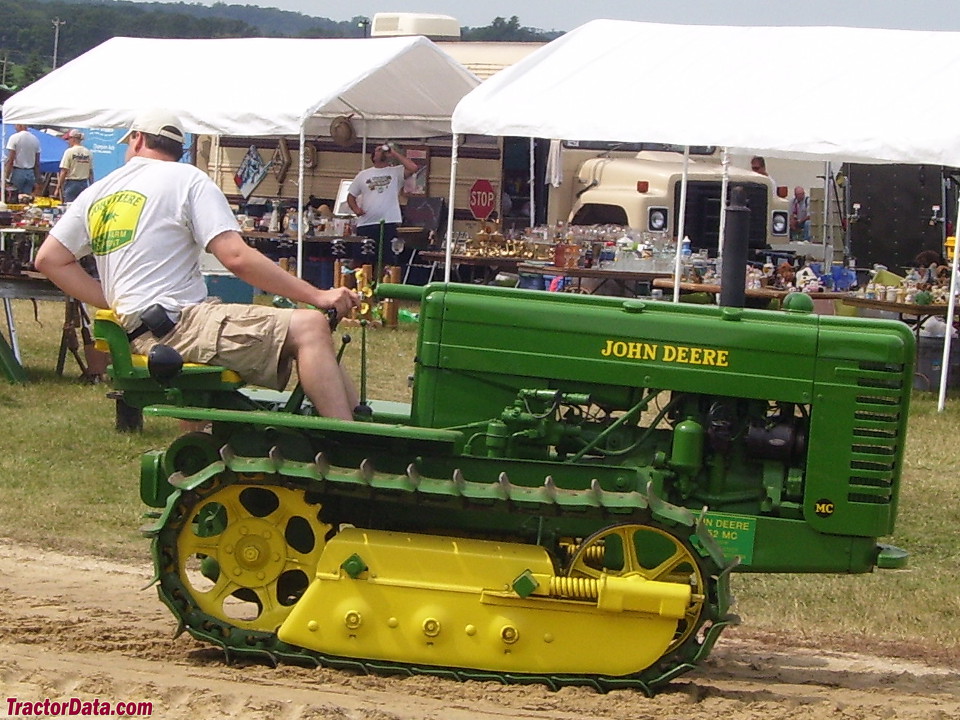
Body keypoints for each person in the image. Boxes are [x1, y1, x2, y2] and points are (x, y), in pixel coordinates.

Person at [35, 109, 361, 420]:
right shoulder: (188, 178)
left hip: (145, 328)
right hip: (176, 325)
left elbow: (49, 259)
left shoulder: (98, 191)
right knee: (310, 326)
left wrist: (114, 301)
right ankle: (347, 445)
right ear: (179, 147)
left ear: (136, 139)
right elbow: (235, 257)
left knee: (296, 327)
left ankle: (355, 425)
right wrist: (317, 296)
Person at [346, 142, 418, 265]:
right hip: (366, 223)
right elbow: (351, 196)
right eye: (378, 150)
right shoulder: (363, 175)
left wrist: (394, 153)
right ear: (373, 157)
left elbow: (413, 168)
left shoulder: (395, 172)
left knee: (387, 260)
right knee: (364, 261)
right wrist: (356, 210)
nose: (381, 151)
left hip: (388, 222)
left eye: (382, 149)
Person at [4, 124, 41, 199]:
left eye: (16, 125)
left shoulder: (14, 138)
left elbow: (11, 159)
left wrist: (6, 177)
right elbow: (37, 162)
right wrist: (37, 179)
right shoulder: (35, 139)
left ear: (20, 125)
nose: (15, 127)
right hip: (30, 172)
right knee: (27, 198)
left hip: (18, 171)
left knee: (14, 197)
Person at [57, 129, 94, 203]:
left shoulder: (69, 152)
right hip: (84, 183)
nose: (68, 141)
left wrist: (58, 187)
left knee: (69, 206)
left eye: (69, 139)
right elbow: (90, 172)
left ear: (73, 139)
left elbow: (64, 171)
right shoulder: (88, 152)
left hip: (72, 183)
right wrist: (91, 186)